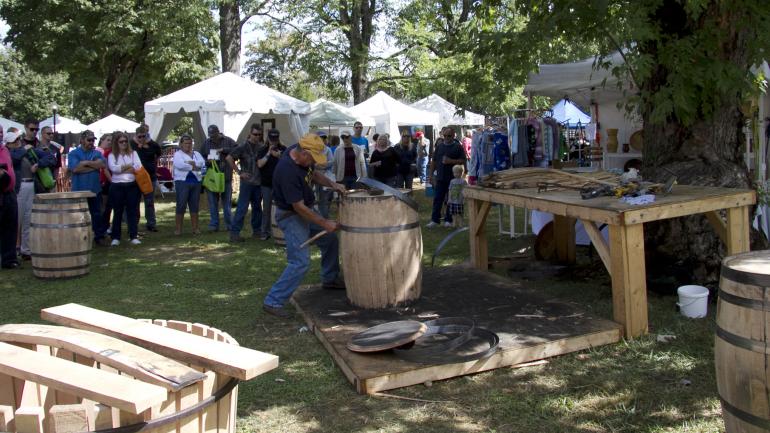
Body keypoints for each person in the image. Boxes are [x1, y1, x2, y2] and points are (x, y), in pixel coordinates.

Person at [262, 133, 347, 318]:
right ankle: (273, 301)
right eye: (312, 158)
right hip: (291, 216)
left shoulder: (300, 152)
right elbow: (298, 207)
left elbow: (313, 174)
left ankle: (330, 278)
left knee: (330, 239)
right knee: (300, 262)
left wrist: (333, 184)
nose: (313, 162)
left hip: (303, 210)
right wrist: (325, 222)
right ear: (303, 153)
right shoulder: (287, 171)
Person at [8, 131, 55, 260]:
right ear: (8, 144)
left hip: (31, 185)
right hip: (19, 188)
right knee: (16, 220)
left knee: (28, 219)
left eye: (18, 139)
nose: (17, 142)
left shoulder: (29, 151)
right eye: (14, 141)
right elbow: (14, 159)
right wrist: (24, 149)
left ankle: (26, 250)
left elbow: (50, 157)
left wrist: (38, 164)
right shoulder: (10, 153)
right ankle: (12, 251)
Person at [68, 130, 109, 246]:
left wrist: (84, 164)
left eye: (93, 140)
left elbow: (102, 165)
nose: (91, 142)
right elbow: (75, 169)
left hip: (95, 189)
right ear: (82, 140)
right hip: (79, 191)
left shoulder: (96, 152)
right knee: (79, 216)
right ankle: (80, 238)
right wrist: (93, 165)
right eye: (89, 140)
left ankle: (99, 236)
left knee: (97, 214)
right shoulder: (74, 153)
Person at [226, 123, 265, 242]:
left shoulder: (261, 147)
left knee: (257, 208)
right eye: (255, 134)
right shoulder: (243, 146)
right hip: (247, 182)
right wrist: (239, 172)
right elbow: (229, 158)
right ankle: (235, 233)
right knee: (242, 208)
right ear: (250, 133)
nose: (257, 136)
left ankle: (257, 231)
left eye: (259, 134)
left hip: (258, 182)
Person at [107, 132, 143, 246]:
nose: (123, 143)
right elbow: (113, 169)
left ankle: (133, 235)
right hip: (117, 186)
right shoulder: (112, 155)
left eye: (125, 141)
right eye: (121, 142)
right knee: (117, 211)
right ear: (116, 143)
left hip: (131, 185)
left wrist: (122, 168)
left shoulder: (133, 153)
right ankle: (116, 237)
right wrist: (128, 166)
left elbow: (138, 167)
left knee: (132, 211)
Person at [427, 128, 466, 228]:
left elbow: (462, 160)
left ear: (453, 136)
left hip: (453, 178)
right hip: (440, 177)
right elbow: (434, 162)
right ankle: (434, 220)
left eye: (449, 136)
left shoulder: (458, 147)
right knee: (437, 199)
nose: (446, 138)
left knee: (451, 199)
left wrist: (450, 161)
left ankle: (448, 220)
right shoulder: (439, 147)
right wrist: (430, 176)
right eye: (445, 136)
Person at [200, 124, 236, 232]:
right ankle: (214, 225)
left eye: (214, 135)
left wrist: (223, 150)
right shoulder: (206, 143)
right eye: (210, 135)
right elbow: (201, 157)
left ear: (218, 132)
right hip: (212, 178)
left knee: (226, 203)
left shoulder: (228, 140)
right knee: (212, 203)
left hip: (226, 177)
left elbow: (237, 150)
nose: (212, 137)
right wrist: (207, 162)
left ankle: (229, 225)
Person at [256, 128, 286, 240]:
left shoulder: (283, 149)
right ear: (268, 138)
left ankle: (279, 231)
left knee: (280, 208)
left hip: (279, 184)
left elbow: (289, 163)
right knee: (267, 209)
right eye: (272, 139)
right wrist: (269, 153)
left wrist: (279, 156)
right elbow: (259, 164)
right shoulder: (262, 149)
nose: (274, 142)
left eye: (276, 139)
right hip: (266, 184)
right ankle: (265, 231)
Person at [172, 134, 205, 235]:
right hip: (182, 182)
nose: (188, 145)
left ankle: (195, 228)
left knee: (194, 205)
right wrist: (193, 166)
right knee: (181, 204)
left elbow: (202, 163)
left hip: (196, 181)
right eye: (186, 143)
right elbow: (179, 165)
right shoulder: (178, 154)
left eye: (190, 143)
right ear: (181, 144)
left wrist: (191, 163)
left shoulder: (196, 153)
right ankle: (178, 229)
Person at [131, 125, 162, 232]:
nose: (141, 139)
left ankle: (151, 224)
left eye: (143, 136)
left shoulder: (152, 144)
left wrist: (153, 164)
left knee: (149, 201)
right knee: (135, 201)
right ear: (136, 136)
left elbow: (159, 153)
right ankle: (134, 224)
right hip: (137, 177)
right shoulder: (131, 145)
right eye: (139, 137)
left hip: (150, 176)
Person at [0, 126, 20, 269]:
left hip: (10, 193)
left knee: (11, 226)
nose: (0, 134)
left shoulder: (5, 150)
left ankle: (9, 259)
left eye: (1, 131)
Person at [314, 130, 335, 218]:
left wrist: (322, 165)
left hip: (325, 177)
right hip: (314, 177)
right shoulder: (313, 149)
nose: (322, 140)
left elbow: (331, 162)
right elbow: (311, 163)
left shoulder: (328, 149)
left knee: (324, 199)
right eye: (320, 138)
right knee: (315, 198)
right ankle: (319, 217)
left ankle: (324, 218)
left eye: (323, 138)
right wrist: (318, 165)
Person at [96, 134, 113, 234]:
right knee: (103, 206)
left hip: (107, 181)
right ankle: (102, 227)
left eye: (111, 140)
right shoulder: (98, 152)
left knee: (108, 206)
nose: (110, 142)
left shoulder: (109, 152)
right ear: (102, 140)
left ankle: (106, 226)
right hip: (101, 182)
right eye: (108, 140)